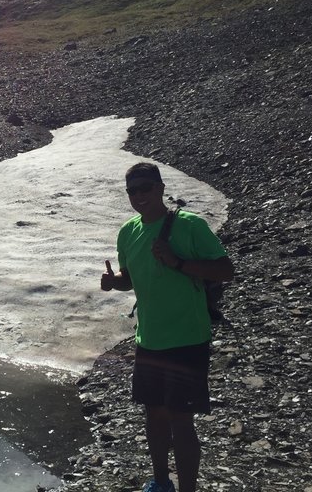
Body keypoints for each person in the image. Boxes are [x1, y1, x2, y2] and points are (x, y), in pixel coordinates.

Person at [100, 162, 234, 492]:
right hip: (150, 339)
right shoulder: (128, 232)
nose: (139, 195)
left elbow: (225, 270)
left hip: (187, 338)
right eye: (132, 190)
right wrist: (112, 282)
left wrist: (177, 262)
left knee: (180, 418)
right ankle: (161, 483)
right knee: (154, 414)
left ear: (160, 188)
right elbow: (129, 279)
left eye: (145, 188)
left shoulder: (189, 226)